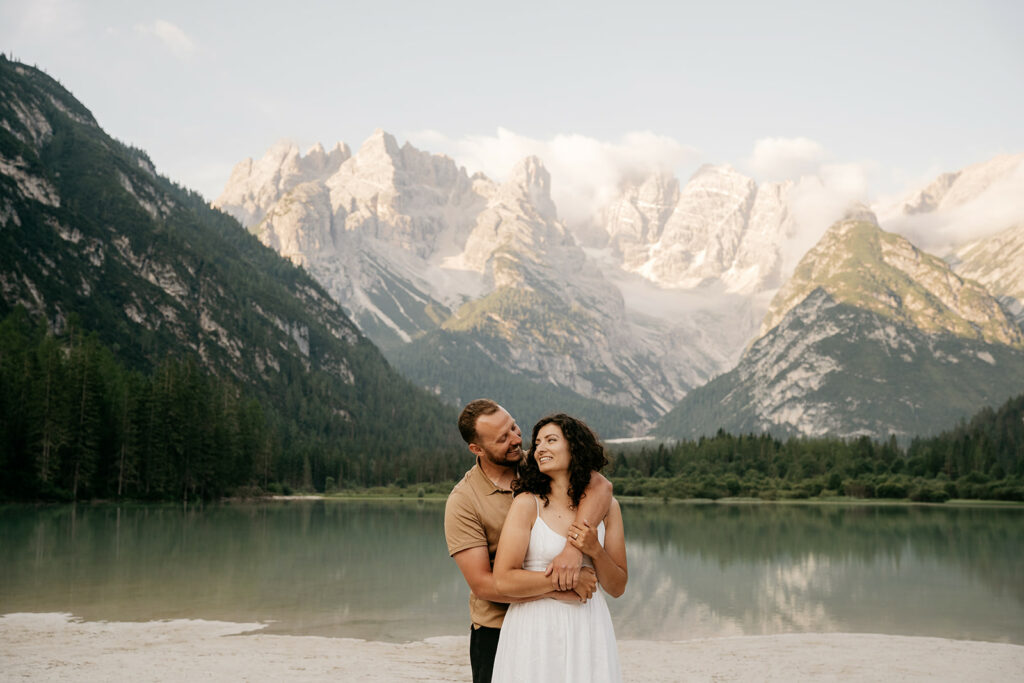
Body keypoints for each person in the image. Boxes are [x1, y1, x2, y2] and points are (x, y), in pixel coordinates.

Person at [445, 399, 613, 683]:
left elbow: (600, 486)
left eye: (513, 427)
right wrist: (564, 585)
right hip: (496, 628)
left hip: (560, 623)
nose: (516, 439)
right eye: (502, 438)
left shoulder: (540, 463)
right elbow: (483, 585)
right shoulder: (463, 501)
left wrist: (573, 549)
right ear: (477, 449)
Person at [490, 413, 627, 683]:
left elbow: (617, 586)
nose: (540, 448)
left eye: (551, 440)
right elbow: (504, 580)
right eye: (538, 443)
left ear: (574, 447)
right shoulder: (528, 504)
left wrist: (595, 550)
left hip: (588, 625)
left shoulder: (609, 508)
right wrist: (568, 582)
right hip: (534, 629)